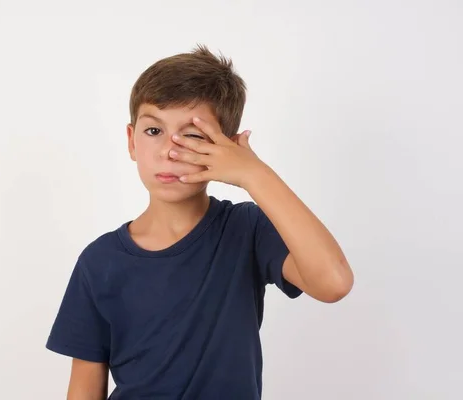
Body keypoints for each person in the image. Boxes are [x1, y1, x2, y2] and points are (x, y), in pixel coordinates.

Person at [46, 44, 354, 400]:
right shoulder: (98, 262)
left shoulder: (247, 230)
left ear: (229, 147)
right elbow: (84, 387)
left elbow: (333, 282)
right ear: (131, 141)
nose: (170, 151)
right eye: (153, 131)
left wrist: (255, 174)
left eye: (192, 135)